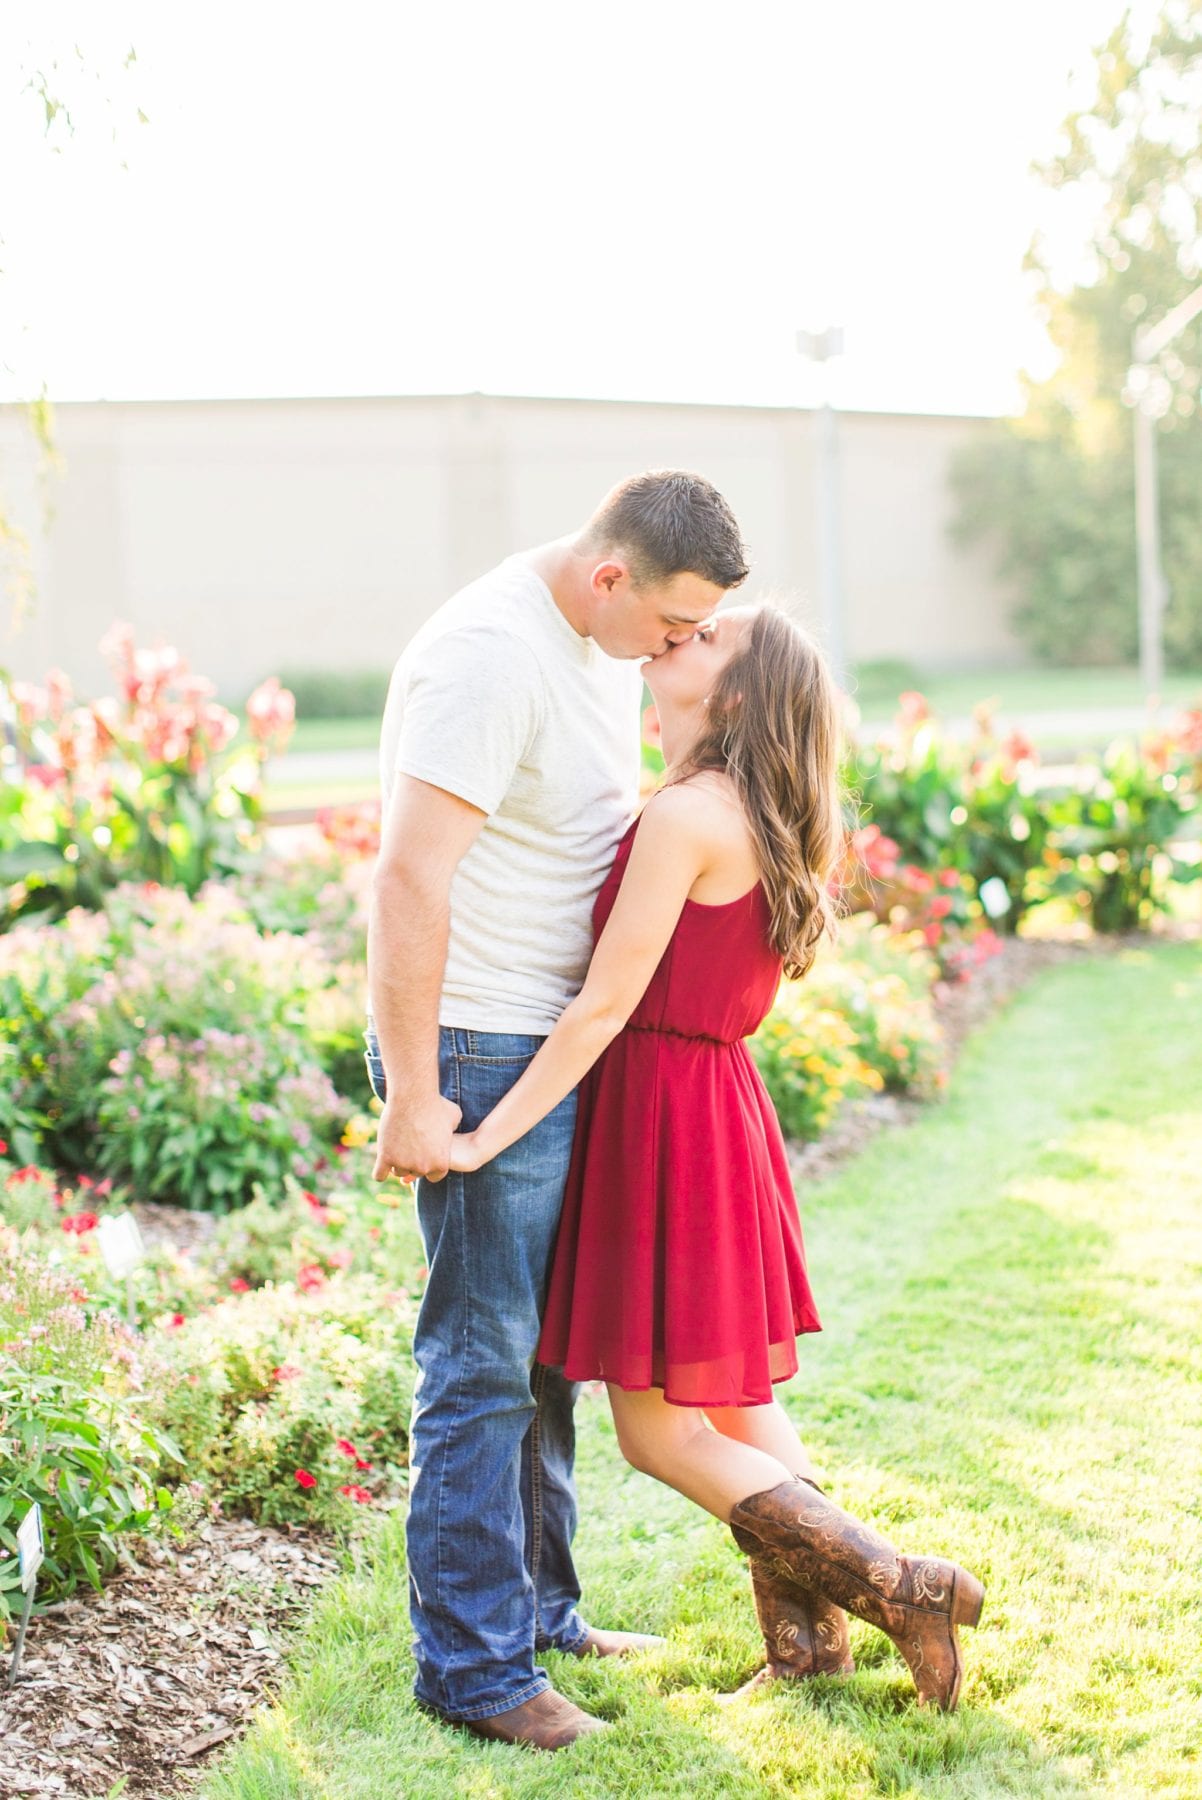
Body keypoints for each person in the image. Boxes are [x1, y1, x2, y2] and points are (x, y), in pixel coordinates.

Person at [448, 602, 986, 1720]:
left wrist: (483, 1132)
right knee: (737, 1414)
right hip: (716, 1114)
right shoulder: (760, 810)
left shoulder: (685, 817)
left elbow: (603, 1005)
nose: (672, 638)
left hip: (663, 1122)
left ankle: (899, 1587)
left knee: (657, 1432)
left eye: (702, 639)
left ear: (732, 696)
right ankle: (809, 1650)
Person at [366, 470, 750, 1750]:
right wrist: (416, 1092)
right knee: (478, 1364)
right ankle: (472, 1674)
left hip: (551, 1049)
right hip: (477, 1051)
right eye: (671, 625)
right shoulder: (489, 656)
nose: (678, 652)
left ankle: (540, 1615)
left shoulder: (594, 637)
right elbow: (411, 876)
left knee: (537, 1361)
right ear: (608, 577)